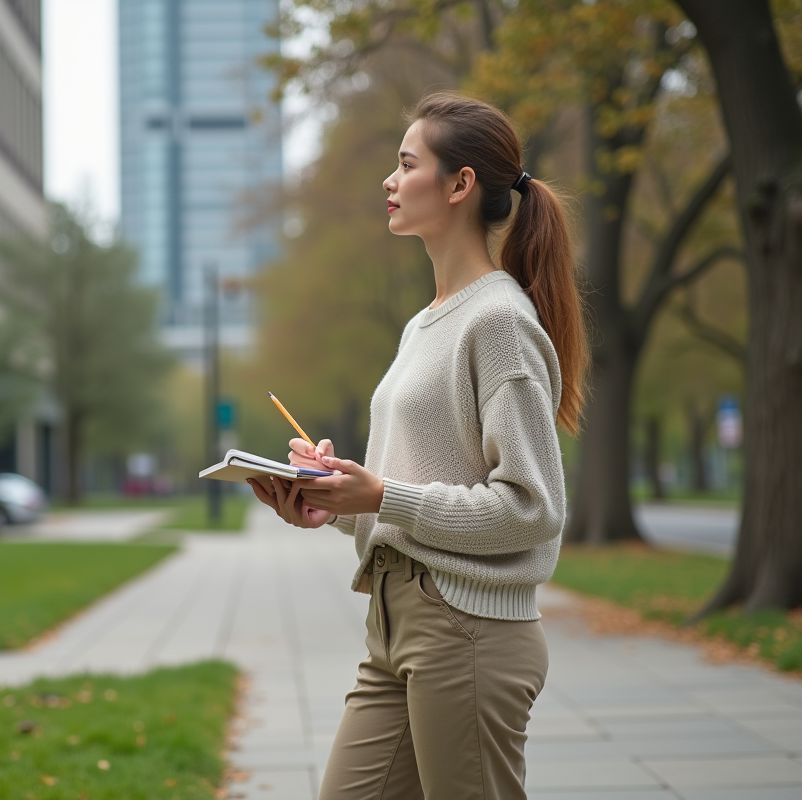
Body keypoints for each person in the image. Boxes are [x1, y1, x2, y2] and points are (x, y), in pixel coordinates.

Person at [247, 92, 588, 799]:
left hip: (466, 632)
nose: (389, 181)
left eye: (407, 164)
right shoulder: (424, 326)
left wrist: (381, 494)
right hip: (393, 625)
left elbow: (533, 508)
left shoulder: (498, 323)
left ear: (460, 184)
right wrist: (332, 501)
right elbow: (409, 492)